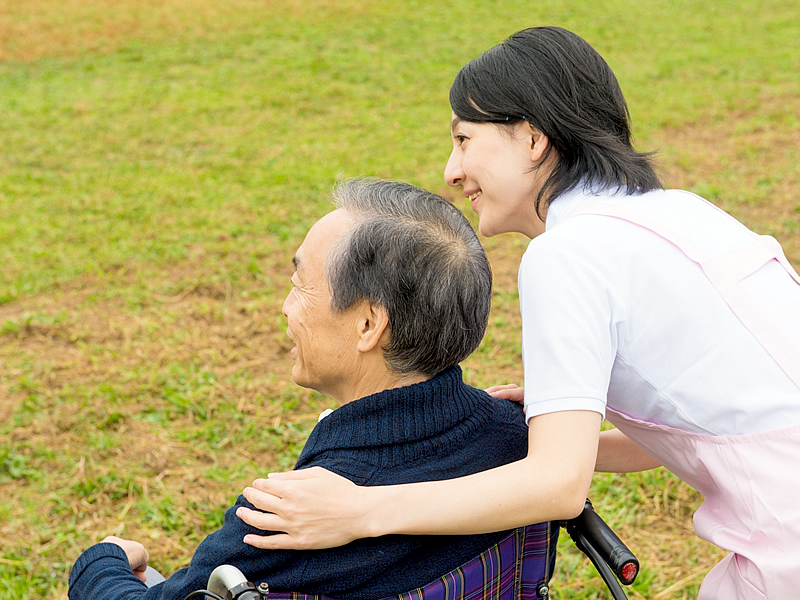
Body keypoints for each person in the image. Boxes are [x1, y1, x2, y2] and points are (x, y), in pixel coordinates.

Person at [236, 27, 800, 599]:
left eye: (464, 139)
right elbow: (724, 420)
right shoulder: (679, 213)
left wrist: (361, 510)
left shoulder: (567, 254)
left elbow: (557, 489)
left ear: (532, 138)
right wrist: (560, 436)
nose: (451, 171)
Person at [67, 178, 557, 600]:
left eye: (300, 284)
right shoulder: (522, 448)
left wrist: (100, 563)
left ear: (368, 323)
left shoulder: (286, 523)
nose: (284, 305)